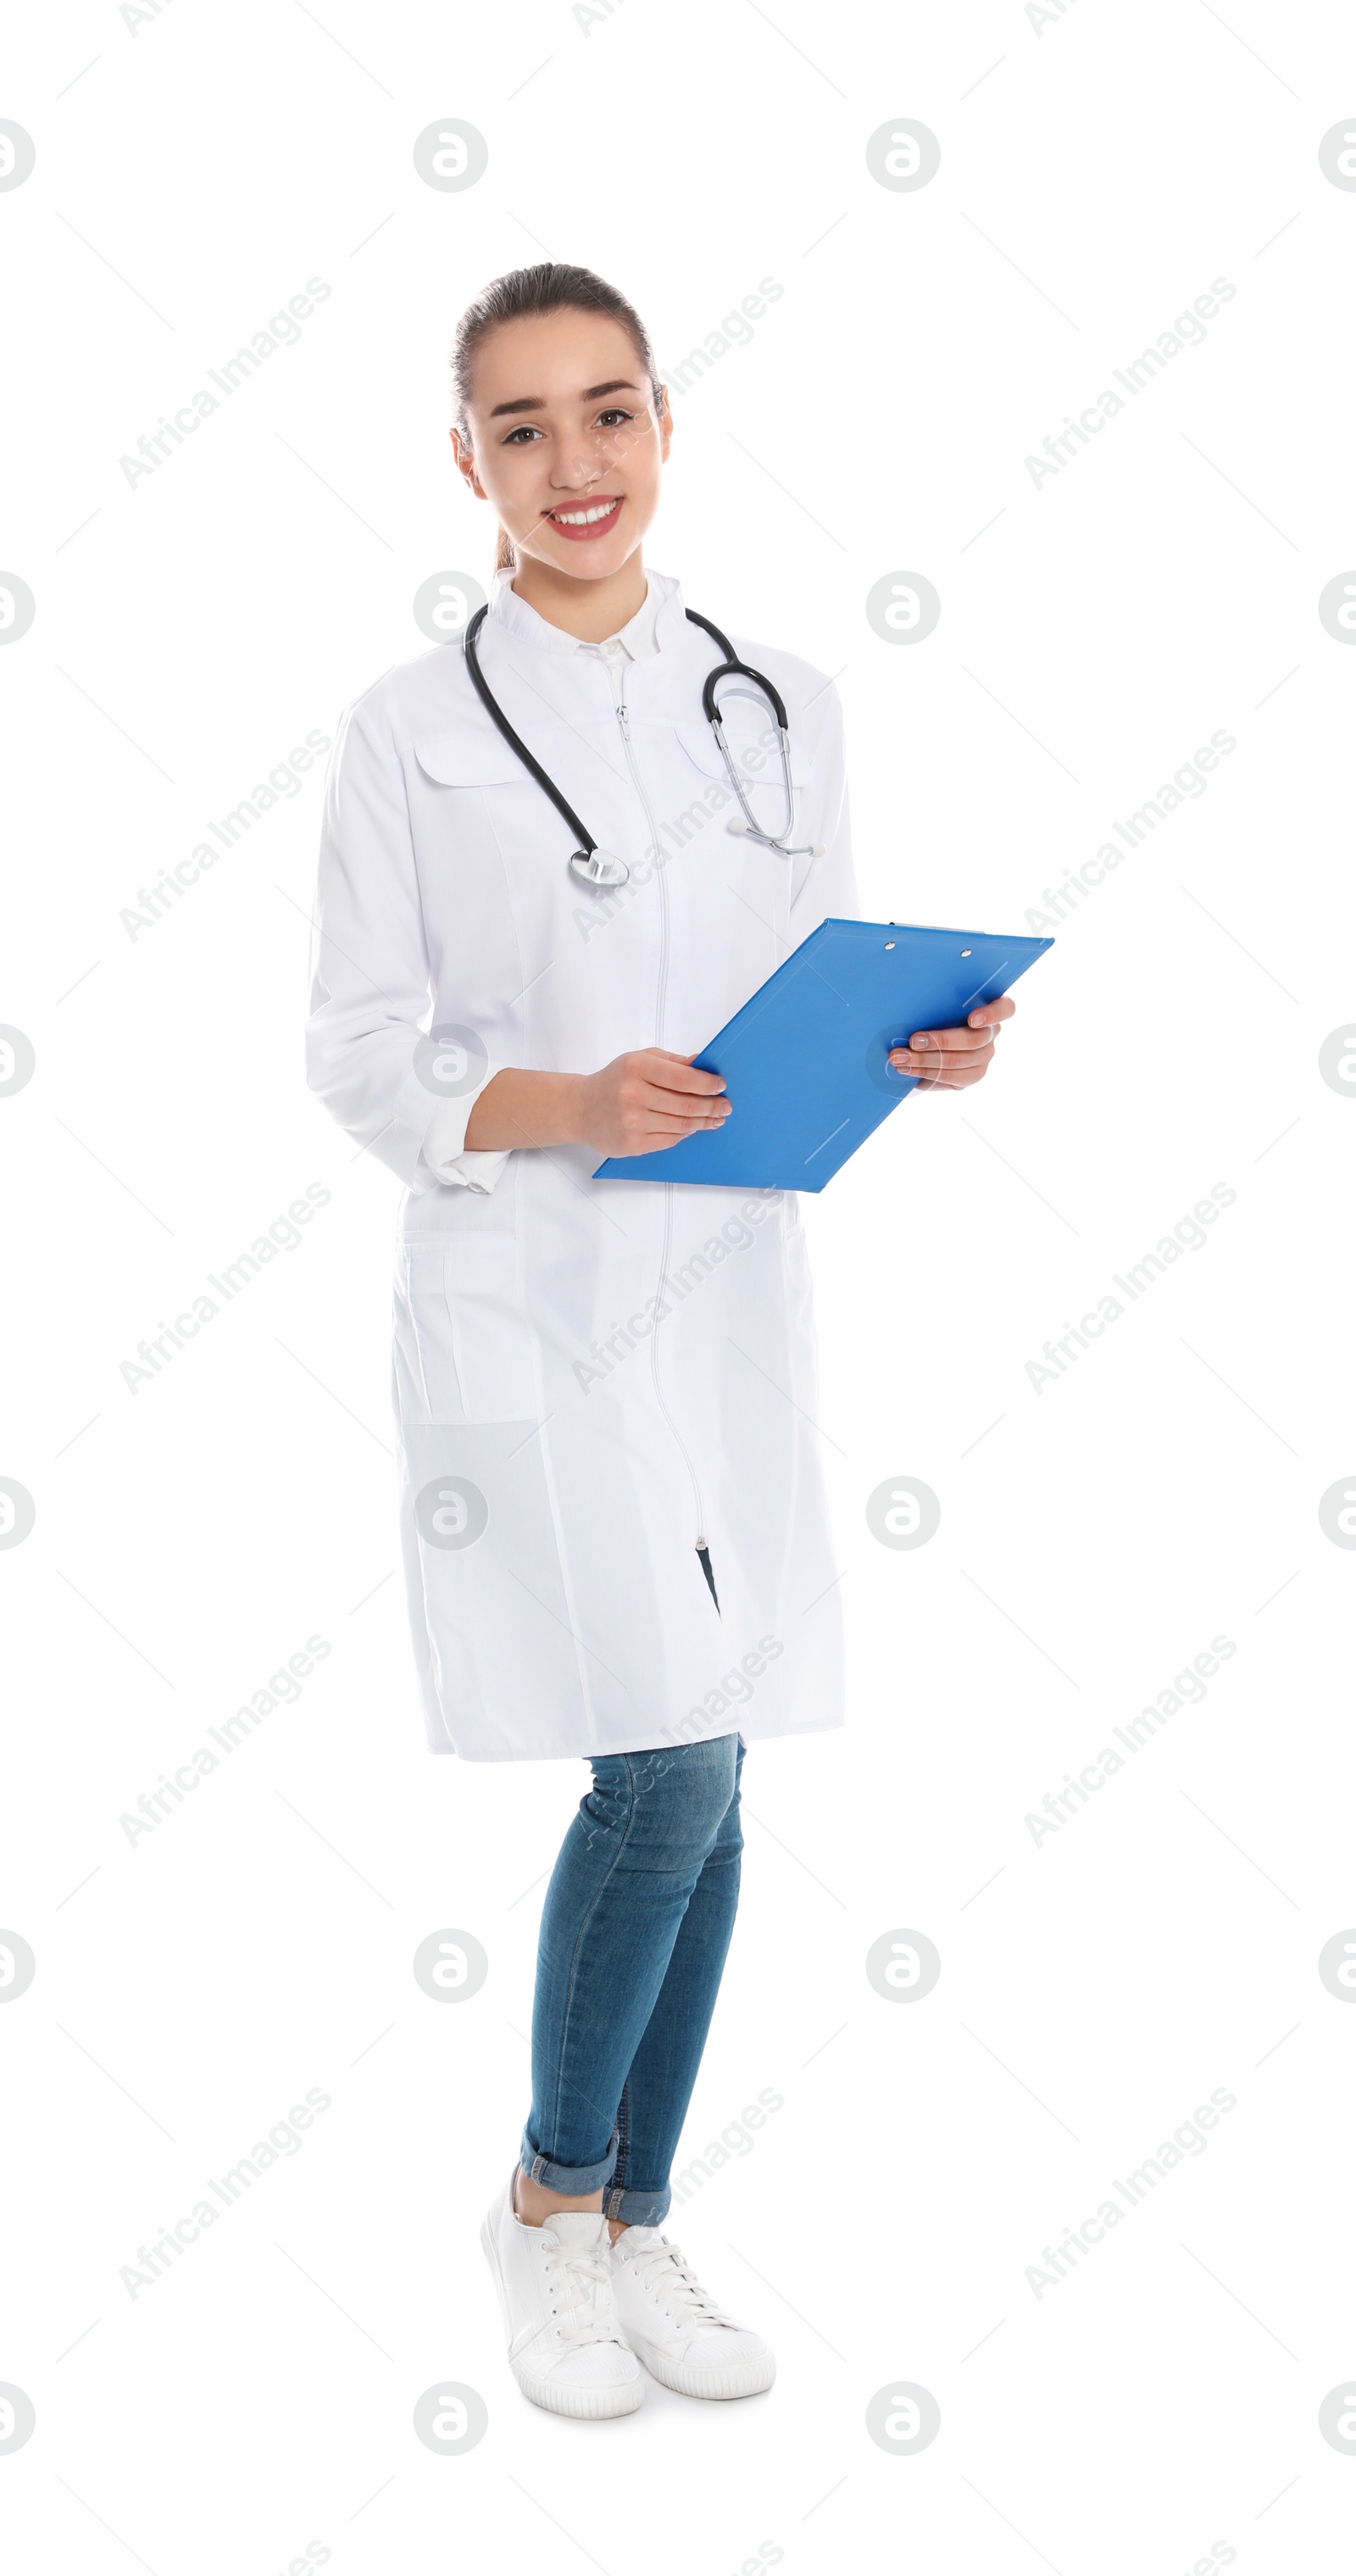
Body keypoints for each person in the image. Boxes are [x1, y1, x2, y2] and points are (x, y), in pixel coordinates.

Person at [305, 263, 1014, 2421]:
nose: (572, 463)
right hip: (530, 1291)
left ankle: (629, 2222)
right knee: (670, 1761)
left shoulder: (776, 695)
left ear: (664, 425)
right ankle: (544, 2201)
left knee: (714, 1776)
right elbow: (354, 1054)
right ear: (467, 467)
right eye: (520, 428)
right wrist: (567, 1101)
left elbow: (811, 993)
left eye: (605, 412)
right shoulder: (410, 732)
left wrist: (920, 1044)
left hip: (724, 1301)